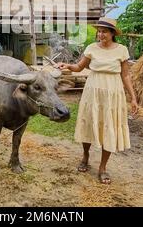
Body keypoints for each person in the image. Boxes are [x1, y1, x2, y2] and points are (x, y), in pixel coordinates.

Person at [56, 17, 138, 184]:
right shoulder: (91, 48)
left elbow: (126, 75)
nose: (101, 34)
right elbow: (79, 67)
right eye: (99, 31)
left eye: (104, 31)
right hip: (92, 91)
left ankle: (102, 167)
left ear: (113, 33)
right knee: (88, 122)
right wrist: (67, 66)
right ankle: (85, 155)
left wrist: (133, 97)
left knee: (109, 126)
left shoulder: (121, 50)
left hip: (113, 93)